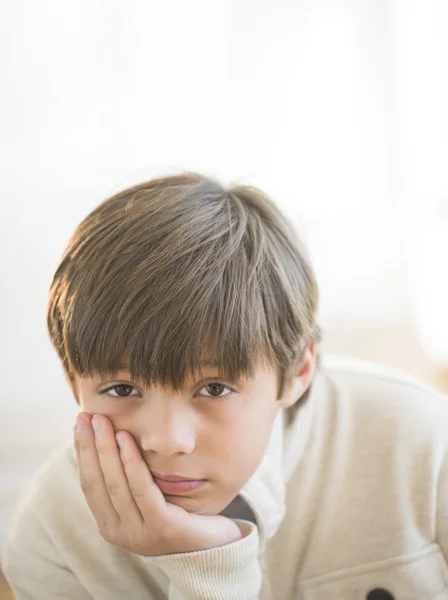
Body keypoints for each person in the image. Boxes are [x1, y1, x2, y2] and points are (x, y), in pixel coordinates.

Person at [2, 172, 448, 599]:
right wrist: (208, 568)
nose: (168, 440)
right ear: (73, 382)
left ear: (297, 372)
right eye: (121, 389)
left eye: (214, 388)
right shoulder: (53, 536)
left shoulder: (421, 443)